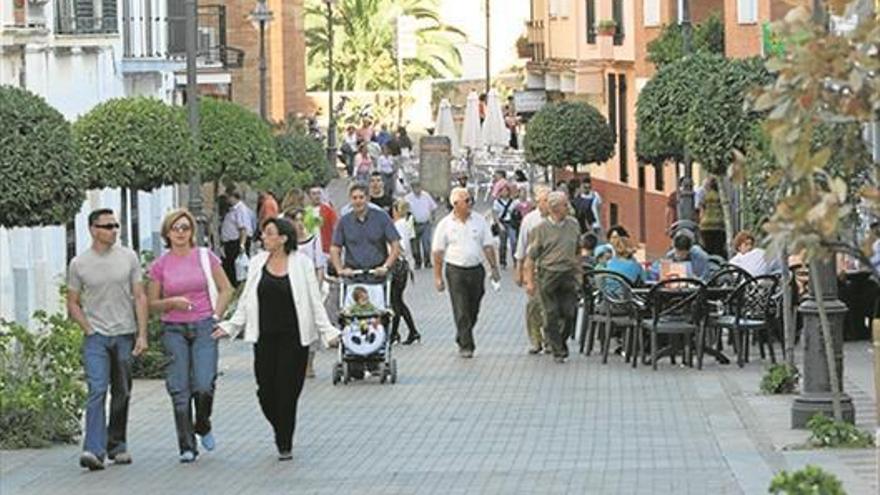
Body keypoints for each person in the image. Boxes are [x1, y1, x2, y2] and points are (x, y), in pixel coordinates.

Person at [215, 218, 339, 461]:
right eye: (263, 233)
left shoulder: (301, 264)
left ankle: (284, 441)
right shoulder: (257, 262)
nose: (263, 237)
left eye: (269, 233)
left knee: (287, 391)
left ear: (283, 238)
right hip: (265, 338)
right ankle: (280, 425)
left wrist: (328, 332)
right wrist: (231, 326)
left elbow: (314, 301)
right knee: (265, 391)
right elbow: (247, 299)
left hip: (294, 339)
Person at [147, 209, 234, 463]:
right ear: (167, 233)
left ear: (192, 232)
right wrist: (171, 302)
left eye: (185, 228)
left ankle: (203, 423)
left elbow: (226, 288)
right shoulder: (160, 265)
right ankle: (186, 445)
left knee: (204, 384)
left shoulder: (205, 257)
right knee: (179, 388)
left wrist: (217, 315)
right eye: (176, 228)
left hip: (204, 325)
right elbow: (152, 303)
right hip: (173, 328)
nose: (181, 233)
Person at [67, 208, 149, 470]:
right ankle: (93, 449)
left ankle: (117, 445)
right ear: (93, 230)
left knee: (122, 391)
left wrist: (142, 334)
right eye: (108, 226)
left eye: (116, 226)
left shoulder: (128, 257)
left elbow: (139, 296)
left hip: (124, 333)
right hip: (97, 337)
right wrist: (88, 329)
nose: (114, 230)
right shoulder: (79, 264)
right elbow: (73, 302)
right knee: (97, 390)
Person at [432, 187, 501, 358]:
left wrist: (494, 268)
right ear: (455, 204)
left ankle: (462, 334)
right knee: (461, 308)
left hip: (476, 269)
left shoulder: (479, 221)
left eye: (470, 200)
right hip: (455, 270)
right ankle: (466, 345)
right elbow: (438, 252)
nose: (470, 204)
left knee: (473, 308)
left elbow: (488, 245)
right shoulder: (445, 224)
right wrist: (438, 276)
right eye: (467, 201)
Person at [524, 191, 582, 363]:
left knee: (569, 313)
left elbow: (578, 251)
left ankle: (560, 341)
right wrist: (529, 281)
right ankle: (558, 349)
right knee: (551, 313)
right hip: (548, 274)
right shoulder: (540, 230)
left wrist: (580, 274)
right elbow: (530, 258)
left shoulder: (573, 224)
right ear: (555, 208)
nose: (569, 207)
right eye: (565, 205)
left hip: (568, 273)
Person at [330, 183, 401, 278]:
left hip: (378, 274)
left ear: (367, 199)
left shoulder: (382, 217)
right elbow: (335, 248)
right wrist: (340, 270)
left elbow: (395, 244)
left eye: (361, 197)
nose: (358, 201)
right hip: (353, 275)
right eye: (354, 198)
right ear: (350, 200)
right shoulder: (344, 221)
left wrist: (386, 266)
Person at [288, 208, 328, 378]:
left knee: (310, 327)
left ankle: (309, 364)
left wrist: (316, 289)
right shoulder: (287, 243)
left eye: (300, 220)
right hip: (291, 288)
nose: (298, 224)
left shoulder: (312, 241)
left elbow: (319, 266)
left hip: (309, 288)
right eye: (295, 220)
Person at [515, 185, 551, 354]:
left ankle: (551, 340)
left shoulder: (558, 219)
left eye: (544, 201)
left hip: (552, 270)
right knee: (534, 307)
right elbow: (522, 246)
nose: (541, 205)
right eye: (538, 202)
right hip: (533, 270)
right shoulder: (529, 220)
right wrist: (519, 270)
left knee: (551, 307)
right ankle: (536, 340)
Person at [391, 200, 420, 344]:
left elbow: (400, 246)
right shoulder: (405, 223)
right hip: (405, 265)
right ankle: (411, 331)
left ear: (396, 210)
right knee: (398, 301)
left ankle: (395, 333)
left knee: (395, 301)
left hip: (398, 266)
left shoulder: (398, 225)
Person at [220, 191, 253, 287]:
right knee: (229, 266)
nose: (227, 200)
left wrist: (242, 244)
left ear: (233, 197)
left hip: (236, 242)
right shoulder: (233, 210)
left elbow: (243, 228)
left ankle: (236, 286)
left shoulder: (240, 209)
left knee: (235, 267)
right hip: (230, 243)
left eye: (228, 197)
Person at [404, 181, 438, 269]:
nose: (417, 189)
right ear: (412, 188)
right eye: (415, 187)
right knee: (415, 246)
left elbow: (433, 207)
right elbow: (403, 210)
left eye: (418, 187)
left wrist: (433, 217)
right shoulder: (408, 198)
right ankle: (417, 262)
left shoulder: (426, 196)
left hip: (426, 224)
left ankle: (427, 261)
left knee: (426, 243)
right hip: (414, 225)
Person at [492, 183, 520, 269]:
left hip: (511, 223)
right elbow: (495, 214)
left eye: (506, 190)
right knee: (502, 243)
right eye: (502, 190)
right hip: (502, 222)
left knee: (514, 242)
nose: (504, 192)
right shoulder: (497, 202)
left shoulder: (513, 202)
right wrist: (499, 225)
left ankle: (515, 261)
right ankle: (502, 262)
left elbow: (518, 211)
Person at [699, 176, 726, 258]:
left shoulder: (705, 196)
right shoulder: (721, 196)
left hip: (706, 225)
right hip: (719, 224)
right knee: (718, 249)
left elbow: (702, 210)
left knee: (708, 249)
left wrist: (700, 222)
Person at [307, 185, 338, 255]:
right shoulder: (306, 211)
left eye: (318, 193)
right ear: (309, 196)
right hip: (311, 247)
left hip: (326, 247)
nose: (317, 196)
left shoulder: (328, 210)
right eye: (314, 194)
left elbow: (336, 227)